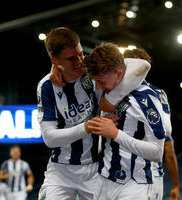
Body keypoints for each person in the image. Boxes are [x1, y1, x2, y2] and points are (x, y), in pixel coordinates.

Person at [37, 27, 150, 200]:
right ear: (54, 60)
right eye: (71, 58)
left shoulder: (93, 71)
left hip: (96, 168)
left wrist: (111, 98)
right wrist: (88, 126)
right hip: (60, 170)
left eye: (81, 54)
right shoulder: (46, 86)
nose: (79, 61)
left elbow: (142, 65)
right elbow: (49, 139)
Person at [83, 42, 166, 200]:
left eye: (101, 81)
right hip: (103, 179)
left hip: (133, 184)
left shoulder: (146, 98)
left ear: (119, 74)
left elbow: (157, 152)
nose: (98, 87)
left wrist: (115, 134)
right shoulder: (107, 90)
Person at [123, 47, 180, 200]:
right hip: (143, 172)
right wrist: (176, 185)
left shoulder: (154, 94)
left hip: (137, 172)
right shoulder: (156, 93)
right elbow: (167, 133)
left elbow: (166, 133)